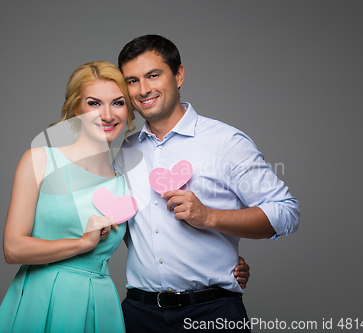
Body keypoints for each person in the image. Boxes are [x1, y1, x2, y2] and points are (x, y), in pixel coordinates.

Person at [0, 61, 251, 332]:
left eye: (117, 103)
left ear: (128, 110)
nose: (107, 114)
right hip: (43, 296)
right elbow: (13, 249)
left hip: (99, 303)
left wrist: (222, 264)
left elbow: (154, 239)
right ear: (75, 108)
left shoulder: (124, 178)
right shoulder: (40, 160)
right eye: (94, 103)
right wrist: (82, 243)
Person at [115, 35, 300, 332]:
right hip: (138, 315)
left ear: (179, 75)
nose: (143, 89)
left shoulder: (225, 142)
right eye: (132, 80)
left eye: (153, 75)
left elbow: (286, 212)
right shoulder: (123, 153)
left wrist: (210, 217)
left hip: (211, 313)